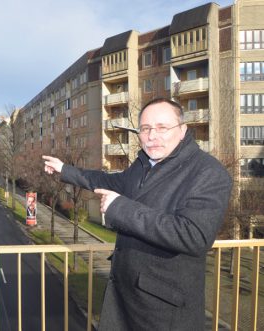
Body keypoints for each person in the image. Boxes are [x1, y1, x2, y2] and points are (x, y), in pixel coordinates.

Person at [43, 98, 232, 330]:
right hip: (125, 297)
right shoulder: (145, 163)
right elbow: (109, 181)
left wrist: (120, 208)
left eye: (162, 127)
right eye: (145, 128)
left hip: (162, 311)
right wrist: (65, 170)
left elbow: (194, 236)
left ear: (182, 130)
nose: (152, 136)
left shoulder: (209, 172)